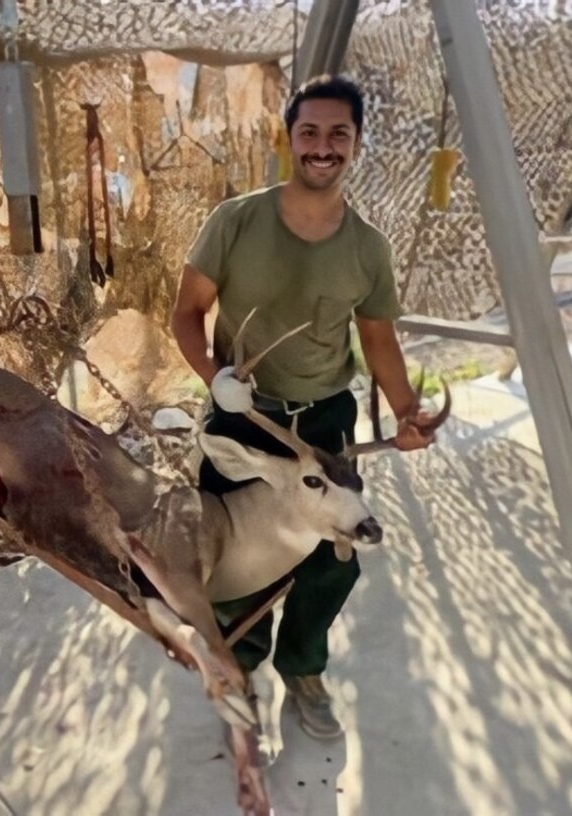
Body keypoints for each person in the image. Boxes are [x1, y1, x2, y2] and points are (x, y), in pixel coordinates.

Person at [170, 74, 437, 740]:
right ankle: (242, 663)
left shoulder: (368, 247)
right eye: (310, 132)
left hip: (324, 425)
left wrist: (405, 414)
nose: (324, 147)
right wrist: (215, 378)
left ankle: (303, 667)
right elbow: (185, 314)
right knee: (233, 555)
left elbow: (377, 338)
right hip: (243, 418)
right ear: (287, 138)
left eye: (338, 134)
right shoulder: (233, 222)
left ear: (356, 143)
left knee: (331, 555)